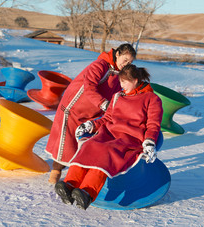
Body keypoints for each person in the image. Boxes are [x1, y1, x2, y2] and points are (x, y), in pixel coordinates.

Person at [54, 64, 163, 210]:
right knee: (89, 146)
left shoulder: (152, 99)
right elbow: (107, 118)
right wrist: (91, 125)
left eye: (125, 82)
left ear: (135, 80)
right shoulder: (118, 96)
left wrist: (149, 142)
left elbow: (153, 124)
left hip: (130, 139)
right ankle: (69, 184)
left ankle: (87, 192)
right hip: (109, 134)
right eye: (121, 81)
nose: (121, 85)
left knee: (106, 153)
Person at [46, 44, 136, 184]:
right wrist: (104, 104)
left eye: (130, 62)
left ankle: (77, 175)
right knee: (66, 142)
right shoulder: (100, 65)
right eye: (125, 60)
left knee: (84, 143)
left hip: (93, 113)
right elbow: (89, 87)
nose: (126, 64)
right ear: (117, 54)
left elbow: (120, 93)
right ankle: (56, 172)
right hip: (74, 107)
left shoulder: (119, 74)